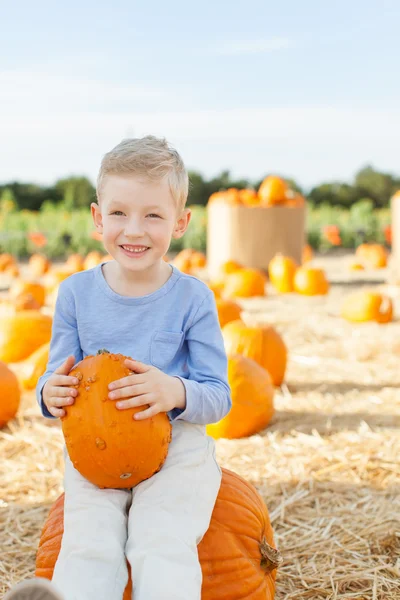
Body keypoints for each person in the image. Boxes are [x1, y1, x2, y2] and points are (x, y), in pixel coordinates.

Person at [5, 136, 231, 600]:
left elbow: (219, 396)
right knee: (88, 544)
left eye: (153, 215)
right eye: (119, 213)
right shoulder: (74, 295)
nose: (134, 230)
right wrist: (51, 394)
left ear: (181, 222)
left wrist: (175, 392)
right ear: (97, 218)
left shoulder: (193, 299)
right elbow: (53, 378)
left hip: (175, 448)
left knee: (160, 538)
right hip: (96, 447)